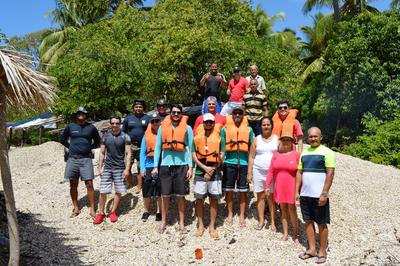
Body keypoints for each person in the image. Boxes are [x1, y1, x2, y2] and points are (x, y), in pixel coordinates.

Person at [151, 104, 194, 234]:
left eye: (178, 112)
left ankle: (181, 223)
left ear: (181, 114)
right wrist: (155, 167)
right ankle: (163, 222)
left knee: (181, 196)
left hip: (181, 165)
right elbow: (158, 148)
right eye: (173, 112)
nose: (176, 114)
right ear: (170, 114)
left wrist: (190, 167)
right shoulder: (162, 128)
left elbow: (190, 149)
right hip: (165, 165)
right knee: (165, 195)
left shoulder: (187, 128)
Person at [296, 127, 336, 264]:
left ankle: (322, 251)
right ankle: (312, 249)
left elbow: (330, 173)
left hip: (319, 196)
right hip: (305, 194)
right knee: (308, 222)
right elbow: (299, 173)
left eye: (315, 136)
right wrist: (297, 191)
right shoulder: (304, 153)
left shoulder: (328, 152)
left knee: (322, 223)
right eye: (310, 136)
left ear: (321, 137)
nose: (313, 139)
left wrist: (324, 193)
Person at [61, 106, 100, 218]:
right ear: (76, 115)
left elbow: (97, 141)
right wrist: (71, 147)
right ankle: (76, 207)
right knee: (73, 183)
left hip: (86, 159)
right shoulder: (70, 127)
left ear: (86, 115)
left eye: (83, 113)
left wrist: (89, 147)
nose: (81, 114)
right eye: (79, 113)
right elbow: (62, 139)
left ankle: (92, 209)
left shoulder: (91, 127)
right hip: (72, 158)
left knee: (89, 183)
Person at [192, 113, 225, 239]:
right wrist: (205, 169)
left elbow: (222, 155)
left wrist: (212, 170)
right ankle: (200, 225)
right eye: (206, 122)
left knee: (213, 199)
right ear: (203, 123)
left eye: (211, 122)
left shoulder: (219, 137)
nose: (209, 124)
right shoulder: (196, 137)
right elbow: (194, 155)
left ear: (214, 123)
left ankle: (212, 226)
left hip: (215, 172)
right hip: (200, 171)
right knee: (199, 199)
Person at [94, 116, 131, 224]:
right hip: (108, 167)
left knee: (119, 191)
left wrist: (127, 169)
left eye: (117, 123)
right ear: (110, 124)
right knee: (103, 191)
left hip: (119, 168)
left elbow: (128, 153)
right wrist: (99, 168)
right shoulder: (106, 136)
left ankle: (113, 211)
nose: (115, 125)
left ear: (120, 124)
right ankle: (101, 213)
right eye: (113, 123)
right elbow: (102, 152)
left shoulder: (125, 137)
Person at [221, 106, 254, 228]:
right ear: (232, 115)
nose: (238, 115)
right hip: (229, 163)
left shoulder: (249, 130)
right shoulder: (225, 130)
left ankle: (241, 215)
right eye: (235, 113)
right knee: (228, 190)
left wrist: (251, 168)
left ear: (243, 115)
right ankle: (230, 213)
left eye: (240, 113)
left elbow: (252, 148)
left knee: (243, 191)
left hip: (244, 164)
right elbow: (222, 148)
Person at [265, 133, 300, 242]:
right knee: (283, 209)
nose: (285, 142)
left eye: (288, 140)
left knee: (292, 210)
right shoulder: (276, 155)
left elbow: (300, 172)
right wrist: (267, 186)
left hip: (292, 187)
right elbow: (270, 171)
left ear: (292, 142)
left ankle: (295, 233)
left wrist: (299, 189)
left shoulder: (296, 155)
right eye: (283, 140)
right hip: (279, 186)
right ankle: (285, 233)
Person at [247, 117, 278, 230]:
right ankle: (261, 220)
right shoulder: (256, 139)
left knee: (271, 197)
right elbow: (251, 156)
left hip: (273, 173)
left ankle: (273, 221)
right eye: (264, 125)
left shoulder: (277, 139)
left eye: (268, 124)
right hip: (258, 171)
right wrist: (249, 172)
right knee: (260, 196)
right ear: (260, 126)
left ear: (271, 126)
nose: (266, 126)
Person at [122, 99, 151, 193]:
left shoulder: (148, 118)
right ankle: (130, 184)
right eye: (136, 107)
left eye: (140, 107)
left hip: (143, 146)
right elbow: (123, 132)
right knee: (128, 165)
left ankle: (139, 186)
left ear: (143, 108)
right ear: (134, 108)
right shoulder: (128, 119)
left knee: (140, 166)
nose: (138, 108)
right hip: (130, 146)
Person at [140, 114, 162, 222]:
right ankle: (146, 211)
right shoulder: (146, 136)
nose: (155, 123)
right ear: (151, 123)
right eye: (153, 122)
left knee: (159, 189)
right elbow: (142, 153)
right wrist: (142, 168)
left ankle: (159, 211)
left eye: (157, 121)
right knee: (146, 188)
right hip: (149, 165)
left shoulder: (164, 134)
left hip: (161, 165)